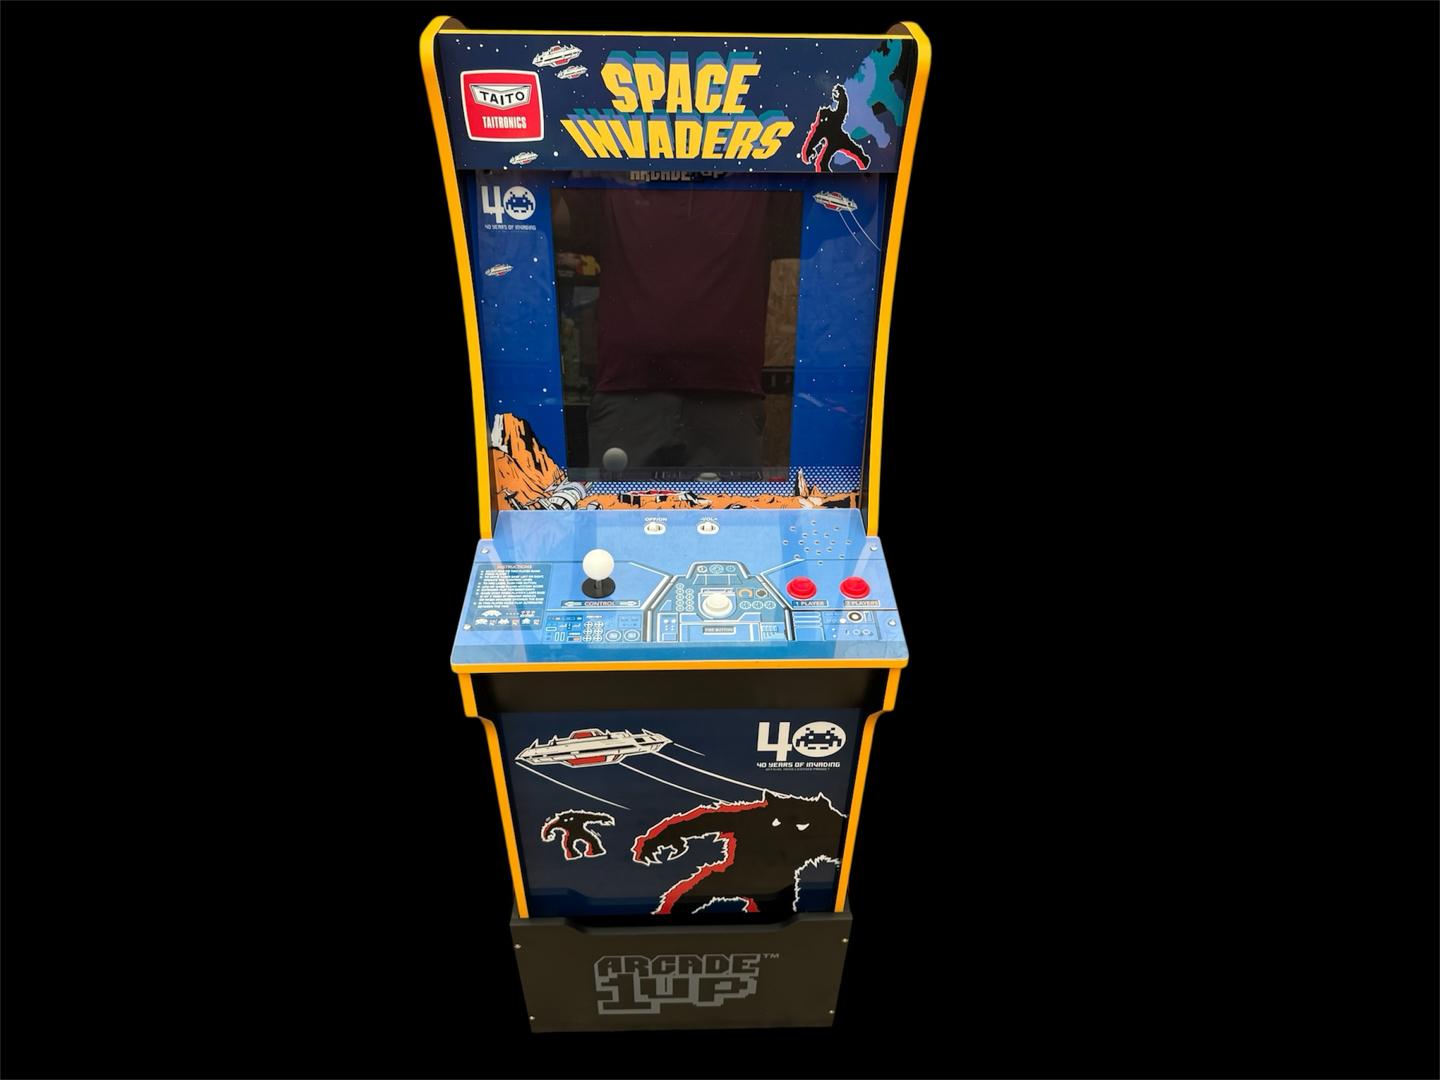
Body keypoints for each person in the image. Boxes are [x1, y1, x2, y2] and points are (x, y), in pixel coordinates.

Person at [553, 186, 801, 471]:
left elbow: (829, 211)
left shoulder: (757, 184)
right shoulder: (614, 179)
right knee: (619, 501)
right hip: (630, 396)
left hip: (727, 399)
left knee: (727, 503)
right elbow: (553, 214)